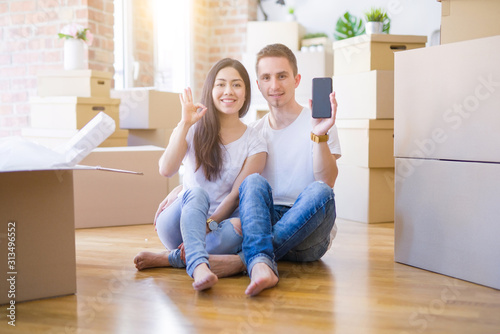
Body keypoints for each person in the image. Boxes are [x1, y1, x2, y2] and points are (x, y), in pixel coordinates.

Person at [133, 58, 267, 291]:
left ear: (246, 93)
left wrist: (210, 223)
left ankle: (172, 259)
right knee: (196, 193)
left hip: (215, 230)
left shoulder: (255, 140)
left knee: (239, 225)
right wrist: (184, 124)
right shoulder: (193, 127)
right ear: (210, 90)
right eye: (221, 84)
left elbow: (236, 195)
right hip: (179, 222)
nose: (228, 91)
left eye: (236, 85)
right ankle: (198, 265)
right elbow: (166, 169)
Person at [238, 43, 341, 296]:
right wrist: (182, 190)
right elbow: (232, 181)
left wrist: (319, 136)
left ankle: (245, 260)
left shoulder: (319, 122)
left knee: (320, 191)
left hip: (310, 231)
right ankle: (261, 261)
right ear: (258, 84)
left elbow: (327, 181)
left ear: (296, 80)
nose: (274, 85)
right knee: (251, 183)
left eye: (282, 76)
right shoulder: (253, 132)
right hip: (267, 222)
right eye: (266, 78)